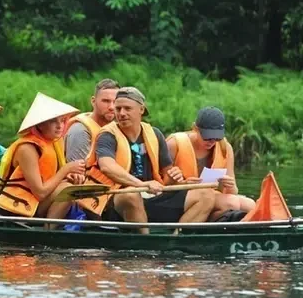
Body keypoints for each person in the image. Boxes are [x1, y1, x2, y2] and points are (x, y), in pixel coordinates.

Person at [86, 87, 217, 234]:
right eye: (118, 109)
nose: (121, 113)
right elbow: (106, 167)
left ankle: (176, 240)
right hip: (116, 200)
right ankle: (145, 243)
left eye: (127, 108)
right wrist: (140, 184)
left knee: (207, 194)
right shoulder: (107, 135)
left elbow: (166, 176)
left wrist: (177, 179)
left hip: (151, 196)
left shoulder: (155, 134)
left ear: (141, 110)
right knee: (131, 194)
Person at [0, 92, 86, 227]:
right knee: (67, 190)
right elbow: (40, 192)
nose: (60, 126)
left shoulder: (54, 143)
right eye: (53, 121)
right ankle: (48, 233)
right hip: (18, 209)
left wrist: (69, 176)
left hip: (36, 204)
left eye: (62, 121)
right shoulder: (27, 148)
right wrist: (65, 170)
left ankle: (53, 228)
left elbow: (51, 178)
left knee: (71, 186)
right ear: (39, 125)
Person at [167, 106, 255, 221]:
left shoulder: (225, 148)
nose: (212, 142)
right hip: (180, 197)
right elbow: (160, 185)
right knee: (231, 203)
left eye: (216, 137)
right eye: (207, 137)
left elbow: (232, 192)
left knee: (251, 205)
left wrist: (231, 185)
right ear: (195, 128)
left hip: (210, 196)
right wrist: (182, 183)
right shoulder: (174, 144)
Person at [64, 78, 119, 217]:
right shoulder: (81, 130)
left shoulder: (115, 129)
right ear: (93, 101)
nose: (112, 107)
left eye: (115, 102)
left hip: (110, 189)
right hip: (84, 196)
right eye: (106, 101)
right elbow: (77, 176)